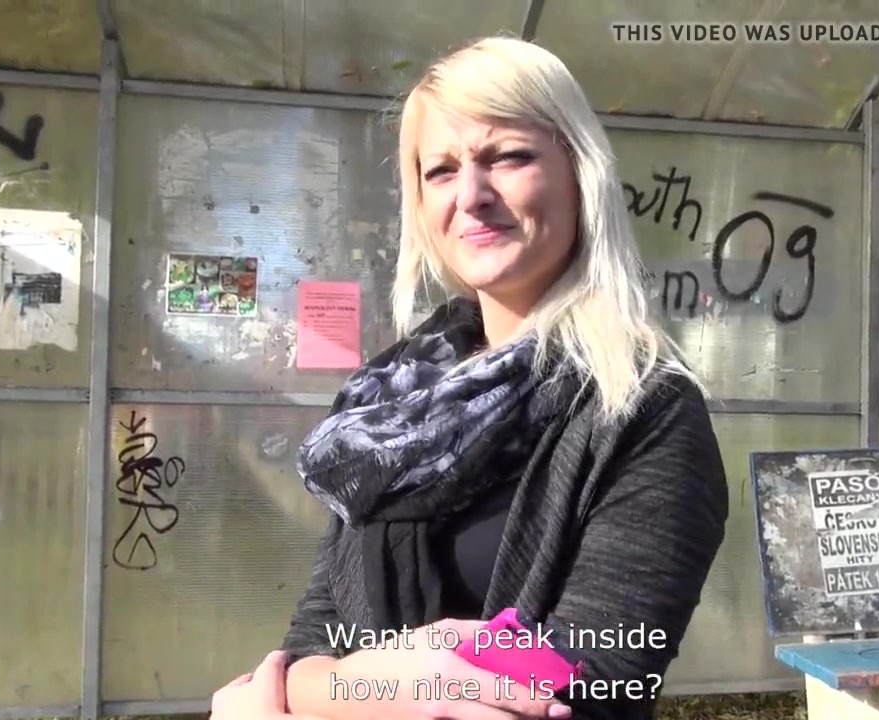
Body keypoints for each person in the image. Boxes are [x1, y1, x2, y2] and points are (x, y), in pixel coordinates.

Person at [211, 34, 729, 720]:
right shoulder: (388, 402)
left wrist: (342, 691)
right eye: (441, 170)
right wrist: (370, 682)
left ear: (580, 172)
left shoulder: (644, 408)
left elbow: (589, 685)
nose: (472, 194)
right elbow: (311, 644)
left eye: (508, 157)